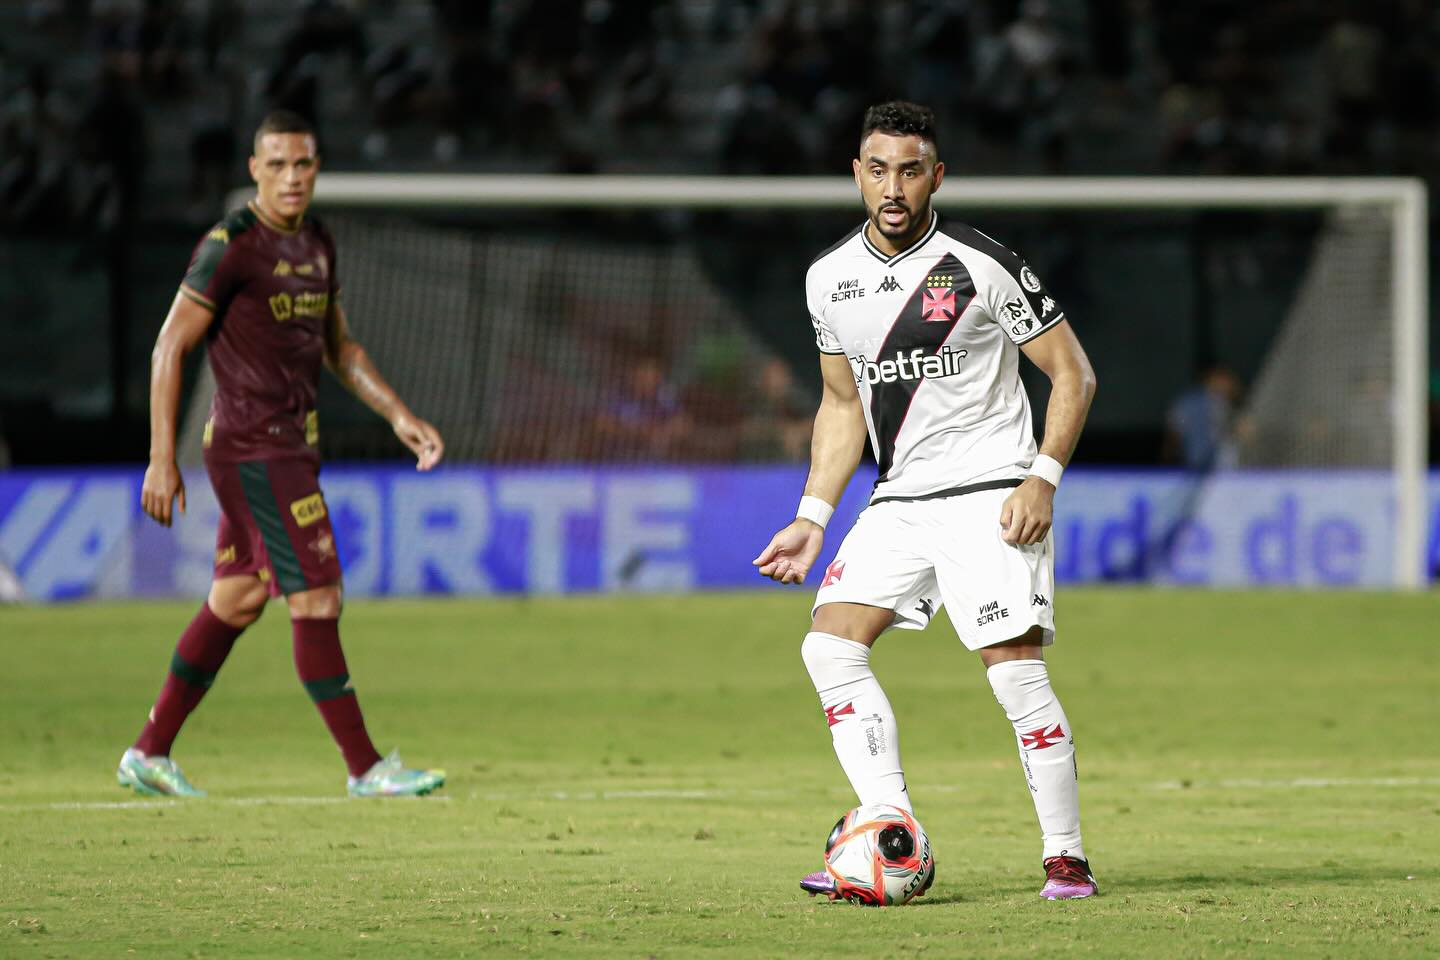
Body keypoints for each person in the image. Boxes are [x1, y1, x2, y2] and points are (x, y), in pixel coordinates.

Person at [753, 101, 1099, 900]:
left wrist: (1042, 476)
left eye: (910, 171)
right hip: (900, 497)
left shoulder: (981, 265)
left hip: (990, 489)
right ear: (856, 175)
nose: (893, 187)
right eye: (878, 170)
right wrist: (812, 516)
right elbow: (842, 403)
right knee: (829, 648)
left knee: (1014, 674)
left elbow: (1073, 373)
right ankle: (890, 833)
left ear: (935, 176)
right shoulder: (828, 279)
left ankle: (1067, 859)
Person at [120, 110, 447, 799]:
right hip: (255, 447)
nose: (291, 177)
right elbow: (169, 346)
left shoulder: (318, 242)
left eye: (302, 164)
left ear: (317, 168)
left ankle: (148, 752)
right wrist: (159, 456)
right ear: (254, 170)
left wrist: (399, 415)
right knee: (317, 595)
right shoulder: (231, 245)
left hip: (290, 444)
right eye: (277, 165)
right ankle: (365, 767)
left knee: (237, 598)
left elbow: (340, 349)